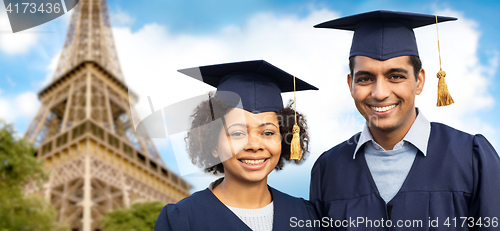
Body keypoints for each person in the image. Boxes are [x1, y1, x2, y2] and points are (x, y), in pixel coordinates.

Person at [310, 10, 500, 230]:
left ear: (419, 81)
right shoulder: (329, 169)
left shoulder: (470, 157)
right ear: (350, 85)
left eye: (396, 77)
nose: (380, 93)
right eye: (365, 79)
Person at [155, 60, 320, 230]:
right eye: (237, 133)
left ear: (285, 137)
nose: (254, 145)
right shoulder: (181, 220)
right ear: (213, 144)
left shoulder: (304, 215)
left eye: (268, 133)